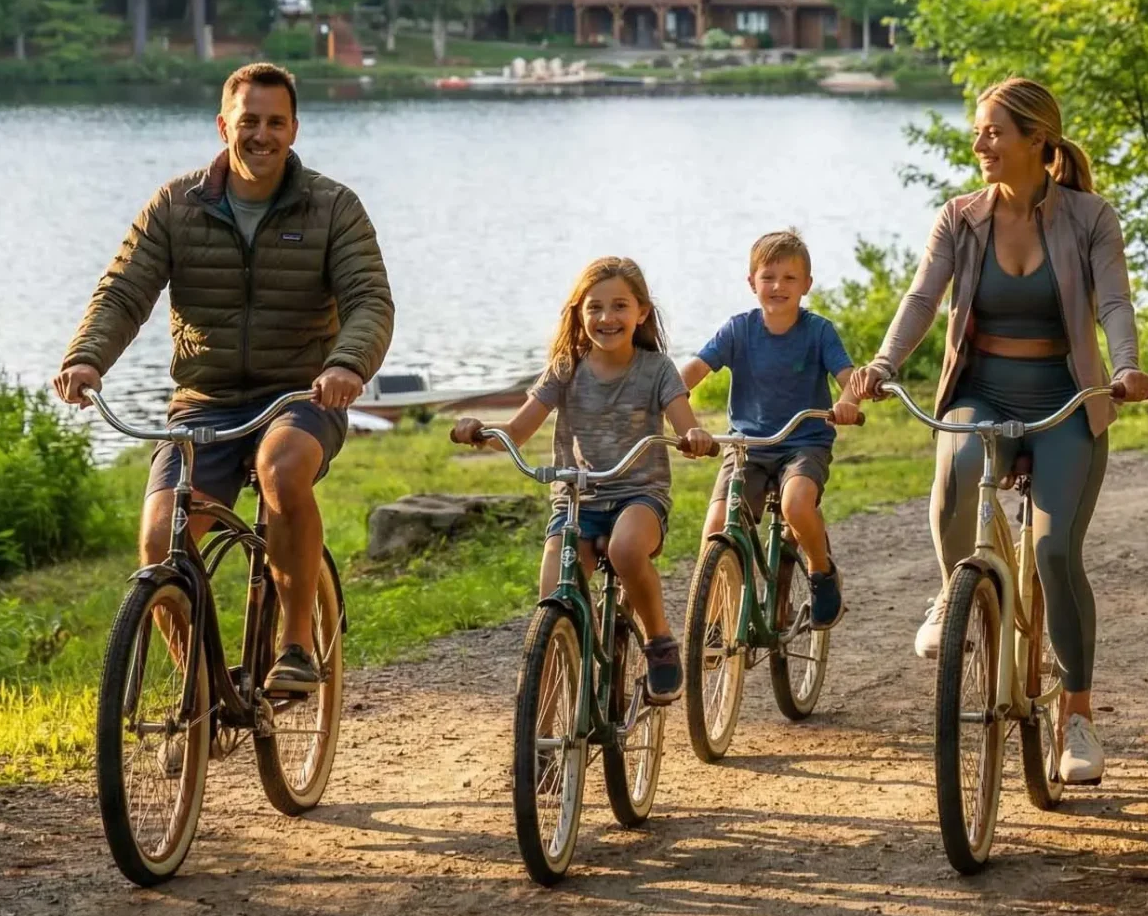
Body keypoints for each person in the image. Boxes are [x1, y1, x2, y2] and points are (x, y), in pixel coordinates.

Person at [843, 77, 1148, 786]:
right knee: (954, 480)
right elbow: (923, 296)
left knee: (1053, 550)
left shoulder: (1090, 217)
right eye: (979, 131)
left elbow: (1114, 301)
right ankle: (955, 589)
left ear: (1036, 140)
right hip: (980, 391)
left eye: (993, 132)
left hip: (1067, 400)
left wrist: (1128, 366)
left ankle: (1076, 714)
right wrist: (885, 364)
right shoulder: (960, 217)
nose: (980, 143)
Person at [53, 62, 393, 696]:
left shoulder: (333, 207)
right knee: (160, 543)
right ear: (223, 125)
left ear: (293, 130)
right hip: (202, 403)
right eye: (248, 122)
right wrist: (86, 357)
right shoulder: (176, 205)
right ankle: (203, 692)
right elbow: (124, 290)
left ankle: (295, 642)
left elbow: (369, 299)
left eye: (274, 123)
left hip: (300, 395)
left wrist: (347, 365)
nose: (260, 135)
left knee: (283, 469)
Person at [453, 257, 714, 703]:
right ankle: (543, 735)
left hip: (638, 495)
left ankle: (658, 641)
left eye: (619, 306)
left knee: (626, 549)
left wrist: (694, 437)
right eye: (594, 307)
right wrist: (482, 432)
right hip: (577, 501)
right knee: (554, 599)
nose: (607, 318)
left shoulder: (657, 370)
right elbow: (517, 431)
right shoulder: (565, 367)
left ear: (642, 313)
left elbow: (683, 424)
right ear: (578, 312)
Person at [681, 229, 866, 628]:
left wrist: (848, 402)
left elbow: (849, 378)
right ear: (752, 283)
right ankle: (713, 621)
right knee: (716, 526)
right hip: (746, 446)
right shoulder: (738, 330)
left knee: (796, 504)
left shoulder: (819, 332)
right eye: (768, 277)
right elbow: (692, 372)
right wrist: (669, 397)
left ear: (806, 285)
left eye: (789, 278)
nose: (778, 286)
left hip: (804, 442)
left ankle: (821, 571)